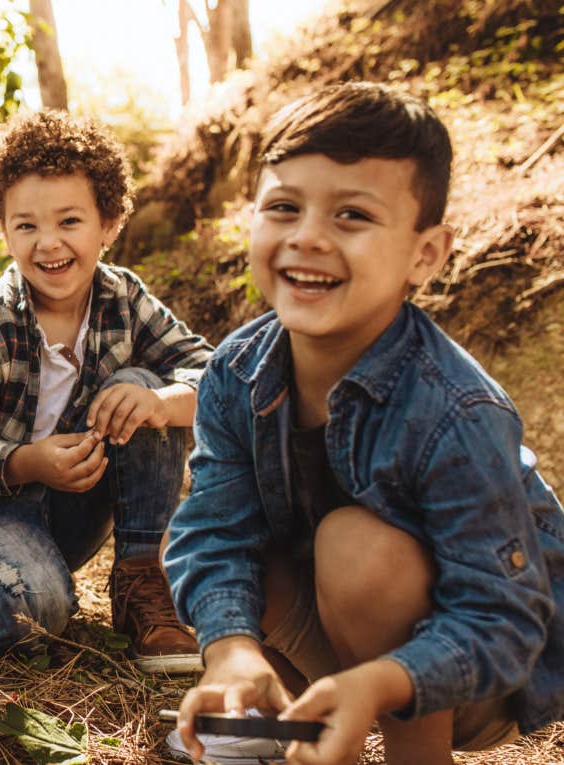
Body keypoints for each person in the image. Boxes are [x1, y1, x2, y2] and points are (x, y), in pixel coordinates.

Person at [164, 82, 564, 765]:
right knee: (242, 554)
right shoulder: (237, 368)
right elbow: (213, 528)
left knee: (356, 547)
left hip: (472, 669)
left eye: (352, 215)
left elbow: (502, 615)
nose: (308, 236)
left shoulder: (457, 411)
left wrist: (380, 682)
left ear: (425, 254)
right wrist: (230, 650)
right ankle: (300, 738)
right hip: (338, 632)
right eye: (284, 207)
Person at [0, 110, 214, 672]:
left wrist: (163, 402)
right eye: (26, 226)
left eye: (69, 221)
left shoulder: (125, 298)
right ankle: (3, 590)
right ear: (3, 231)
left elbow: (215, 374)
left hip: (72, 509)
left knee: (141, 387)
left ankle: (141, 579)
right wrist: (26, 463)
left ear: (110, 222)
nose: (48, 244)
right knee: (35, 617)